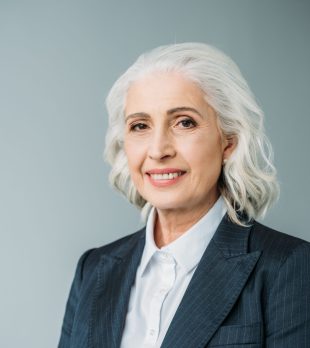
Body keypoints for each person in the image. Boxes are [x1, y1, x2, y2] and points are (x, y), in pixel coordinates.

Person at [58, 43, 310, 348]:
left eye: (184, 122)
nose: (158, 150)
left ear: (228, 141)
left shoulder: (289, 266)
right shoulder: (94, 269)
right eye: (140, 126)